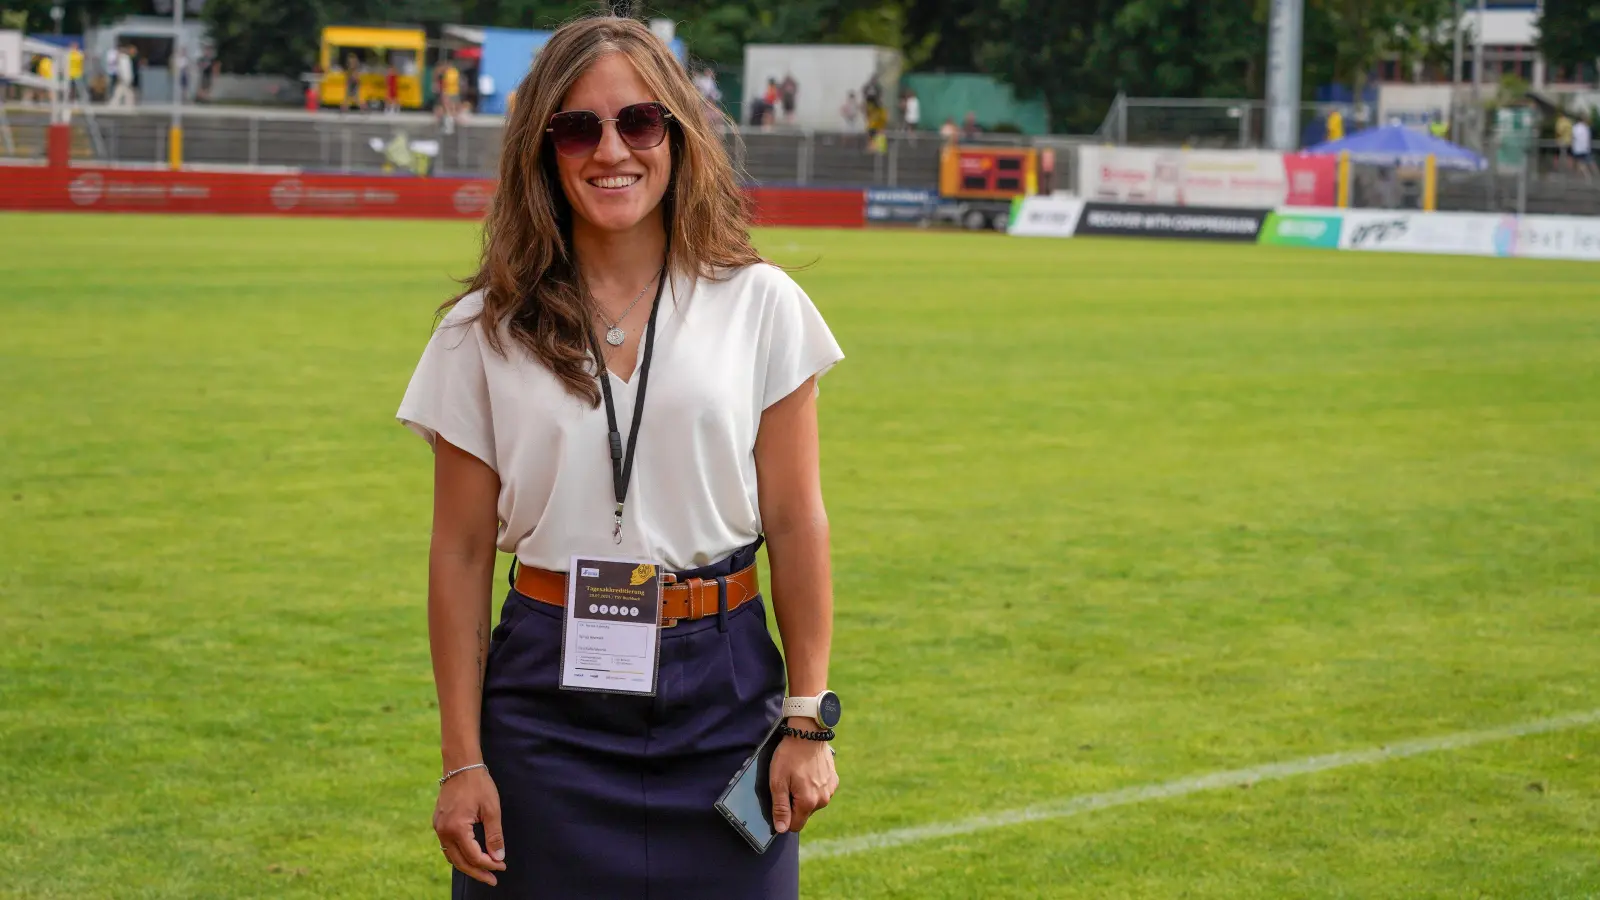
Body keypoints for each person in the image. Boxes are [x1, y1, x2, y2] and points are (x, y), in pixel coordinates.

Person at [399, 15, 842, 899]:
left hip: (722, 694)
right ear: (543, 148)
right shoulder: (480, 331)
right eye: (579, 127)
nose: (613, 150)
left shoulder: (763, 304)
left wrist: (807, 719)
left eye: (639, 122)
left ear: (678, 136)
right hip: (543, 707)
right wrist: (461, 762)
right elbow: (456, 554)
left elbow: (796, 522)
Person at [1573, 116, 1594, 180]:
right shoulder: (1586, 127)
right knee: (1587, 162)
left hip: (1578, 148)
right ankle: (1577, 177)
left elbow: (1574, 136)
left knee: (1581, 163)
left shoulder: (1576, 127)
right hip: (1586, 148)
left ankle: (1587, 175)